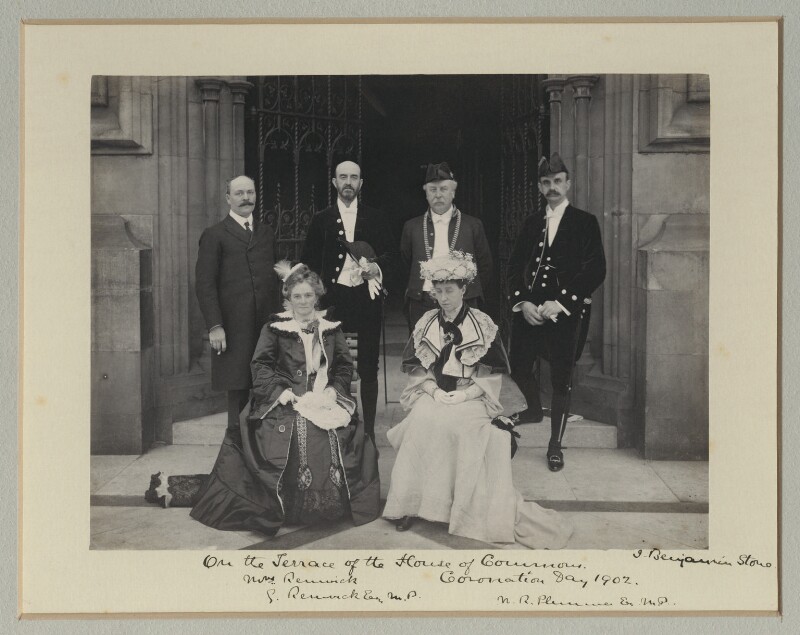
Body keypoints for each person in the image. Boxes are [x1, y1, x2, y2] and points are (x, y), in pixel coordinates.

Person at [382, 251, 573, 549]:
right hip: (435, 393)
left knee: (458, 426)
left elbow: (491, 375)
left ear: (463, 290)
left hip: (471, 398)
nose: (443, 298)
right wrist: (432, 391)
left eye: (449, 291)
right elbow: (419, 368)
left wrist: (465, 393)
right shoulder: (426, 322)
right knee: (421, 420)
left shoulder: (481, 324)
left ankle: (454, 507)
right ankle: (410, 504)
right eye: (438, 291)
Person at [181, 263, 380, 534]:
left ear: (317, 296)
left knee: (331, 433)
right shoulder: (275, 328)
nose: (302, 302)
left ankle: (328, 506)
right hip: (283, 401)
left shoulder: (331, 328)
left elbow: (344, 366)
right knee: (302, 430)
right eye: (296, 296)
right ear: (288, 298)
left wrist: (333, 390)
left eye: (308, 295)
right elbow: (260, 365)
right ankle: (293, 506)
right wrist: (282, 393)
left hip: (323, 398)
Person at [506, 153, 606, 472]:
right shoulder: (531, 222)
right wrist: (523, 303)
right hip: (531, 312)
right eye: (546, 183)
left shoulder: (585, 222)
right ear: (539, 186)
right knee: (520, 367)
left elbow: (596, 270)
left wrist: (561, 302)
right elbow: (514, 267)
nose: (553, 188)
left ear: (568, 184)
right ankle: (533, 409)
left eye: (558, 182)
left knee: (561, 379)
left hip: (565, 313)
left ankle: (554, 446)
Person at [301, 160, 397, 439]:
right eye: (343, 177)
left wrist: (376, 268)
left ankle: (367, 435)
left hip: (366, 300)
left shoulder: (376, 217)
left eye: (354, 177)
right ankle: (336, 427)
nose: (348, 182)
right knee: (331, 364)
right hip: (333, 301)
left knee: (368, 366)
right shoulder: (322, 219)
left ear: (361, 184)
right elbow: (307, 262)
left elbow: (392, 256)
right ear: (334, 182)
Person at [195, 175, 278, 439]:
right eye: (239, 193)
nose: (246, 198)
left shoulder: (265, 233)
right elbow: (205, 284)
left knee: (266, 384)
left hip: (265, 325)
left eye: (250, 193)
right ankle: (237, 451)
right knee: (239, 389)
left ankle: (263, 449)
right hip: (233, 326)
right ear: (228, 198)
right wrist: (215, 326)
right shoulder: (214, 235)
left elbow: (274, 277)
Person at [400, 162, 494, 331]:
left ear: (453, 192)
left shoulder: (472, 225)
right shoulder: (411, 226)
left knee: (463, 354)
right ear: (426, 194)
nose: (438, 195)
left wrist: (463, 293)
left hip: (464, 303)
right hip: (422, 303)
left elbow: (485, 266)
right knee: (424, 354)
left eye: (443, 189)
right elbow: (405, 263)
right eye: (432, 190)